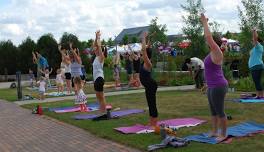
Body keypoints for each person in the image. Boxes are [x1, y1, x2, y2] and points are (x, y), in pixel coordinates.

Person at [201, 13, 228, 141]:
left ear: (214, 42)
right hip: (212, 86)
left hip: (219, 86)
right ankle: (214, 131)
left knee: (220, 111)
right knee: (213, 111)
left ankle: (223, 134)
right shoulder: (213, 53)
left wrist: (204, 22)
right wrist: (207, 84)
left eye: (210, 41)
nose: (207, 42)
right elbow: (210, 71)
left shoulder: (216, 51)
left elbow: (208, 37)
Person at [139, 32, 158, 127]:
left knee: (152, 104)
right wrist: (149, 38)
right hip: (148, 86)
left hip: (151, 85)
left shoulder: (148, 63)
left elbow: (144, 50)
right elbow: (147, 48)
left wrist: (143, 38)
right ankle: (151, 122)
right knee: (150, 104)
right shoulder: (145, 62)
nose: (142, 54)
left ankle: (154, 123)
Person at [92, 30, 107, 112]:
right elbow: (95, 46)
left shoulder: (101, 57)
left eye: (97, 49)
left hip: (99, 78)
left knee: (101, 97)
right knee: (99, 97)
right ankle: (102, 110)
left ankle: (103, 111)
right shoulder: (96, 57)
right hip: (97, 79)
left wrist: (98, 39)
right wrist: (96, 37)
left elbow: (98, 47)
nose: (95, 49)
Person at [248, 28, 264, 98]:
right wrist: (255, 32)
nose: (252, 41)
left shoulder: (258, 46)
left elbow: (255, 38)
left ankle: (260, 95)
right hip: (255, 66)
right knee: (257, 81)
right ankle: (259, 95)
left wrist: (254, 31)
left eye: (253, 41)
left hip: (256, 66)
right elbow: (255, 38)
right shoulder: (256, 47)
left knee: (257, 81)